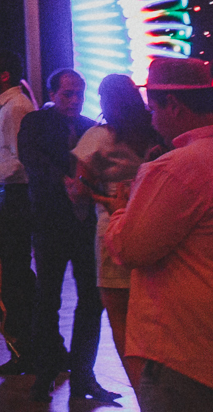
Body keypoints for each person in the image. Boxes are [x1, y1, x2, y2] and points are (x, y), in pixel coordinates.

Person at [101, 56, 213, 412]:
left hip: (186, 360)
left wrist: (120, 210)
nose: (150, 118)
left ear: (171, 105)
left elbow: (130, 250)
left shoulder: (176, 168)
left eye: (152, 107)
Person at [18, 69, 113, 402]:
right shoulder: (36, 123)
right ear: (53, 94)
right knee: (48, 299)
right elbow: (32, 160)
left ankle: (83, 377)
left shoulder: (90, 127)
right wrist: (65, 181)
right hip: (50, 222)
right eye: (68, 94)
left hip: (85, 224)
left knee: (91, 300)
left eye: (79, 93)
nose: (74, 100)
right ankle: (44, 375)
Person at [73, 73, 163, 382]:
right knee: (151, 310)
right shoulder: (154, 132)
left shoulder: (99, 137)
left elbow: (77, 187)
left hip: (113, 220)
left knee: (119, 313)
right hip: (152, 218)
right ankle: (157, 385)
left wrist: (100, 197)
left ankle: (141, 390)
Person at [0, 49, 36, 374]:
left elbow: (19, 161)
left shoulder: (15, 108)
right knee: (15, 273)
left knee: (12, 274)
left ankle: (26, 350)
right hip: (10, 196)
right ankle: (33, 346)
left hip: (16, 195)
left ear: (4, 76)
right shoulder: (8, 107)